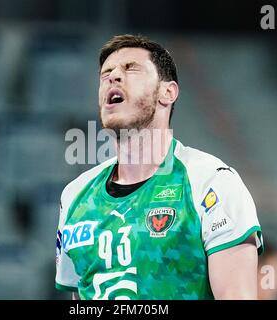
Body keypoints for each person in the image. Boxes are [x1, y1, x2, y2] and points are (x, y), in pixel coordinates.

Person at [55, 34, 264, 300]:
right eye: (105, 73)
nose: (113, 77)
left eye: (131, 68)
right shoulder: (75, 195)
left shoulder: (211, 182)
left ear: (168, 92)